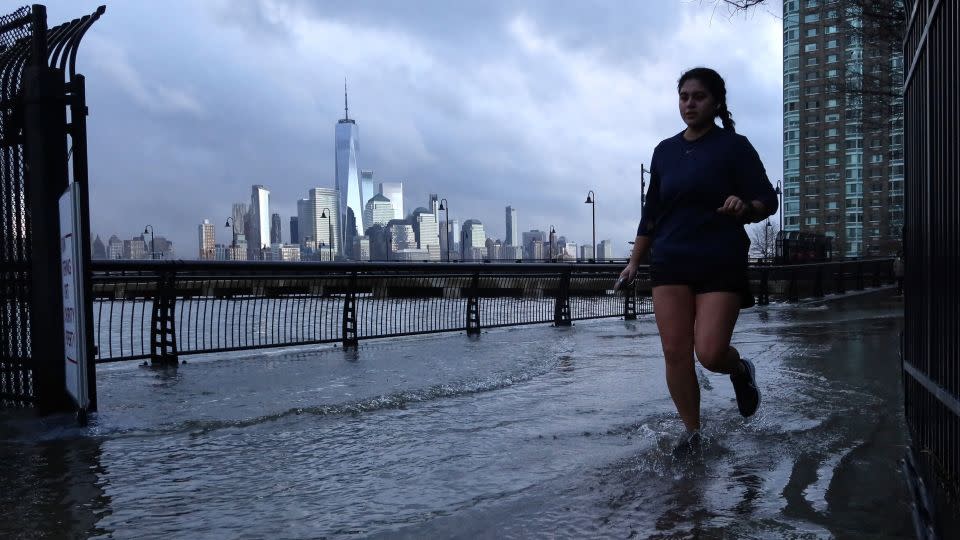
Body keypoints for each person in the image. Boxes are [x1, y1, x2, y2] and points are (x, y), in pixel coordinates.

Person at [619, 67, 779, 457]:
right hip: (670, 260)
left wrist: (746, 206)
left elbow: (767, 200)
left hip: (718, 258)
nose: (689, 103)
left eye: (698, 96)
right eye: (684, 96)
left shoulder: (734, 147)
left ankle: (739, 370)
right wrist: (634, 262)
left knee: (708, 353)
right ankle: (692, 433)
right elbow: (651, 214)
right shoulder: (664, 151)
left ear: (716, 102)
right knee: (675, 352)